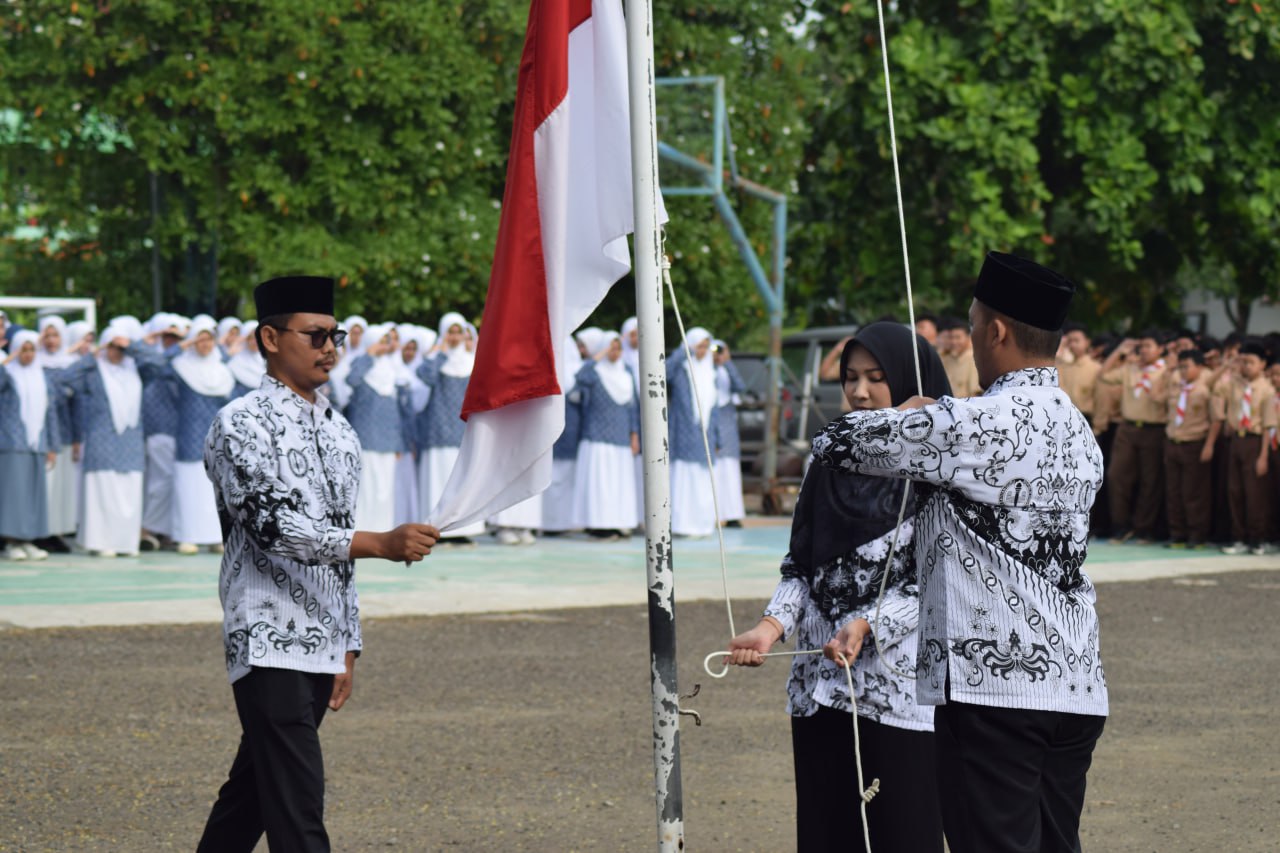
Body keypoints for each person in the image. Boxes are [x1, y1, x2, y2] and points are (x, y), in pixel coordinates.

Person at [812, 252, 1108, 853]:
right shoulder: (1079, 430)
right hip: (1075, 683)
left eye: (974, 325)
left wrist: (913, 415)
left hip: (994, 690)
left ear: (995, 330)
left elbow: (835, 441)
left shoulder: (978, 423)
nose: (971, 340)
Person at [197, 275, 440, 853]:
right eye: (316, 335)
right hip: (265, 634)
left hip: (321, 640)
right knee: (298, 803)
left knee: (253, 796)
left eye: (338, 334)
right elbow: (272, 527)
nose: (330, 346)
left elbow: (336, 557)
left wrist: (347, 642)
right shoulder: (241, 423)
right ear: (271, 339)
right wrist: (379, 542)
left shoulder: (340, 431)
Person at [726, 322, 950, 852]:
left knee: (901, 831)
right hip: (818, 687)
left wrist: (870, 623)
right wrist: (770, 625)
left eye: (876, 377)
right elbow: (801, 563)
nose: (860, 391)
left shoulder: (938, 467)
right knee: (829, 833)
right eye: (850, 377)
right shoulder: (827, 458)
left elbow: (937, 583)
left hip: (895, 690)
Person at [415, 312, 485, 543]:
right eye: (450, 332)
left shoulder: (473, 361)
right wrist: (441, 351)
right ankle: (438, 529)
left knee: (464, 479)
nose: (454, 337)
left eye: (458, 332)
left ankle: (464, 531)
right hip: (438, 431)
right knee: (440, 479)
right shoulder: (437, 360)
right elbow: (425, 376)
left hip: (464, 430)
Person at [1099, 330, 1169, 543]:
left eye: (1149, 346)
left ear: (1160, 349)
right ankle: (1121, 526)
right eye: (1142, 346)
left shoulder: (1166, 371)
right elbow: (1103, 374)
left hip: (1153, 429)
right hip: (1127, 428)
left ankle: (1144, 528)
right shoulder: (1130, 368)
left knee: (1150, 481)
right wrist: (1120, 351)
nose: (1144, 350)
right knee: (1116, 476)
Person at [571, 331, 640, 539]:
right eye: (611, 348)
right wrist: (599, 355)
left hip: (620, 439)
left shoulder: (626, 373)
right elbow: (580, 376)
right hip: (596, 437)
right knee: (600, 484)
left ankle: (618, 523)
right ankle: (598, 526)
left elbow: (633, 408)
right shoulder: (595, 372)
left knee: (619, 484)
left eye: (618, 348)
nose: (615, 353)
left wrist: (634, 435)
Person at [1211, 338, 1277, 555]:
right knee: (1235, 491)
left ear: (1262, 365)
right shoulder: (1234, 383)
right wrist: (1230, 364)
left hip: (1255, 441)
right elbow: (1213, 386)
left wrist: (1263, 456)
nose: (1246, 366)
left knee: (1255, 493)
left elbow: (1269, 424)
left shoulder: (1266, 389)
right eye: (1244, 362)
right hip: (1236, 441)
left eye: (1251, 362)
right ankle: (1238, 537)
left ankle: (1257, 538)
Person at [0, 331, 60, 561]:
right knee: (14, 494)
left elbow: (50, 413)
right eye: (23, 350)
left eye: (31, 349)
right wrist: (7, 359)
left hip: (37, 443)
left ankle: (28, 540)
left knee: (33, 495)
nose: (27, 355)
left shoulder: (41, 377)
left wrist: (52, 445)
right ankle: (10, 541)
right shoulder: (8, 374)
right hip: (12, 442)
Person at [344, 323, 408, 533]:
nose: (384, 346)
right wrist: (369, 355)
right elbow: (351, 379)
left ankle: (382, 530)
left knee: (384, 488)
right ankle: (362, 530)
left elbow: (396, 410)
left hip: (388, 439)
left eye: (386, 342)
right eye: (380, 341)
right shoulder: (360, 363)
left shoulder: (389, 369)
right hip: (365, 436)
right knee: (366, 486)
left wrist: (399, 442)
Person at [667, 327, 719, 537]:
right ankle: (682, 525)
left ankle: (702, 525)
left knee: (702, 480)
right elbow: (663, 371)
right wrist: (683, 350)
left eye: (706, 346)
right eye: (699, 346)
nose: (703, 351)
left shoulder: (710, 372)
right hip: (683, 433)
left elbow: (713, 408)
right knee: (683, 479)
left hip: (705, 435)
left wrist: (717, 438)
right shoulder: (681, 368)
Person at [1160, 349, 1214, 549]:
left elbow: (1215, 419)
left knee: (1193, 492)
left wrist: (1208, 445)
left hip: (1194, 443)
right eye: (1180, 367)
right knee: (1174, 491)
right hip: (1174, 441)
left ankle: (1197, 535)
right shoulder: (1176, 388)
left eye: (1187, 367)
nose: (1183, 371)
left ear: (1200, 367)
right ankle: (1177, 534)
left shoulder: (1205, 390)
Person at [542, 335, 585, 535]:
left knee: (567, 477)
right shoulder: (545, 369)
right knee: (548, 477)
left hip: (571, 433)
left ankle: (563, 523)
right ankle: (547, 523)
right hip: (548, 432)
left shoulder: (579, 371)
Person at [711, 339, 747, 526]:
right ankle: (712, 514)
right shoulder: (704, 369)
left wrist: (727, 361)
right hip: (710, 423)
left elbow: (740, 387)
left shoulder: (727, 369)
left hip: (727, 426)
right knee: (713, 469)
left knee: (730, 470)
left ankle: (732, 514)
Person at [938, 316, 982, 397]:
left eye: (958, 337)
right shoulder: (946, 358)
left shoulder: (973, 359)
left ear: (968, 338)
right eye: (951, 338)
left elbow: (976, 393)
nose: (954, 342)